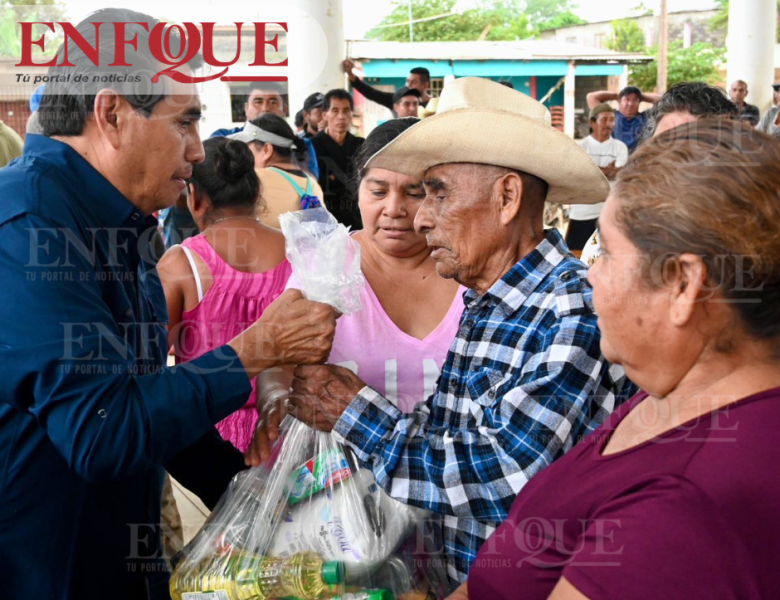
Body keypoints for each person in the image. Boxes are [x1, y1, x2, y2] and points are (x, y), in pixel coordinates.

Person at [0, 10, 337, 600]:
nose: (199, 151)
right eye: (185, 122)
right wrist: (256, 349)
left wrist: (252, 494)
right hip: (44, 571)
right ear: (111, 114)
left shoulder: (124, 225)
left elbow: (141, 395)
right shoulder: (29, 229)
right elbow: (102, 430)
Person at [281, 78, 634, 585]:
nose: (420, 218)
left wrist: (355, 412)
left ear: (507, 197)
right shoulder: (487, 299)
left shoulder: (570, 306)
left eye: (437, 193)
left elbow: (508, 475)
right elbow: (447, 428)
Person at [460, 118, 780, 600]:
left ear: (682, 285)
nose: (589, 276)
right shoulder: (675, 389)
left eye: (605, 254)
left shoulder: (685, 503)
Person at [247, 117, 466, 465]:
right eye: (378, 192)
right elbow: (278, 359)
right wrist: (275, 397)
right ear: (359, 191)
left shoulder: (470, 272)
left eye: (414, 193)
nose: (393, 209)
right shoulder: (326, 267)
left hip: (454, 483)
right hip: (342, 490)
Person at [157, 137, 292, 453]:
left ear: (195, 196)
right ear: (256, 192)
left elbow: (149, 360)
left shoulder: (181, 263)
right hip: (286, 428)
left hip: (209, 438)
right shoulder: (299, 252)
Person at [581, 81, 739, 266]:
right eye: (662, 148)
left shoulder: (750, 238)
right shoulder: (618, 229)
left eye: (693, 150)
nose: (670, 164)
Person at [231, 113, 324, 229]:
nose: (245, 155)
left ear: (266, 150)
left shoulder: (254, 180)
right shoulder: (313, 184)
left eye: (248, 148)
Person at [210, 80, 319, 179]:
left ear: (285, 109)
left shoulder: (301, 145)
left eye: (273, 102)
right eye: (258, 102)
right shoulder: (223, 137)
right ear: (246, 108)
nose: (265, 108)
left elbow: (310, 184)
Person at [566, 104, 628, 251]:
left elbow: (618, 174)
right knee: (576, 258)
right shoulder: (580, 147)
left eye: (612, 120)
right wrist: (608, 170)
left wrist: (591, 170)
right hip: (582, 213)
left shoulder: (620, 147)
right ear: (592, 123)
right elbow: (578, 174)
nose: (609, 124)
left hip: (609, 213)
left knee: (610, 259)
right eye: (604, 120)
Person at [311, 89, 365, 230]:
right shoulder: (313, 145)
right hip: (324, 219)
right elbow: (313, 181)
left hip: (357, 217)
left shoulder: (361, 144)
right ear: (325, 115)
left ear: (351, 114)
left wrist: (332, 178)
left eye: (346, 111)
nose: (341, 117)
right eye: (335, 111)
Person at [586, 85, 661, 152]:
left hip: (639, 161)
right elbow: (591, 97)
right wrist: (616, 95)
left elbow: (664, 101)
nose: (630, 103)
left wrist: (641, 96)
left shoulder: (646, 117)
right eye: (627, 99)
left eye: (635, 100)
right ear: (619, 101)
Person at [342, 60, 432, 112]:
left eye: (414, 82)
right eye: (408, 81)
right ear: (396, 107)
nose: (409, 85)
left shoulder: (438, 105)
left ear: (425, 85)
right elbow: (372, 93)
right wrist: (351, 75)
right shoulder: (397, 99)